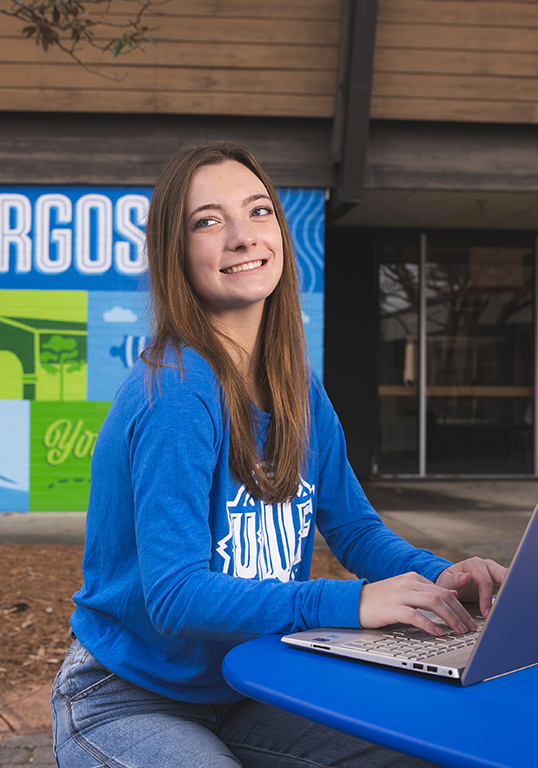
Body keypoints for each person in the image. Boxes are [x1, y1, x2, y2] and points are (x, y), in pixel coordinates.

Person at [51, 142, 506, 768]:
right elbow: (176, 596)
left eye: (258, 211)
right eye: (207, 221)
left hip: (250, 686)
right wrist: (350, 603)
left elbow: (353, 527)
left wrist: (439, 579)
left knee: (439, 746)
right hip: (129, 697)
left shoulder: (297, 382)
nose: (242, 236)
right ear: (175, 254)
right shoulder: (177, 393)